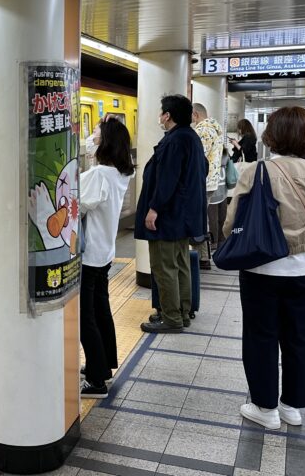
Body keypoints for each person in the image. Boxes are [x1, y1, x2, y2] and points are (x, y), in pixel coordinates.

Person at [223, 108, 305, 429]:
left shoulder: (256, 171)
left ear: (272, 134)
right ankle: (293, 406)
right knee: (299, 337)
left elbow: (231, 224)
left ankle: (265, 407)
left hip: (262, 269)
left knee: (261, 336)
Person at [135, 95, 208, 334]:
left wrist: (154, 208)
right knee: (180, 264)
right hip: (183, 216)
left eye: (161, 112)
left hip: (168, 216)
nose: (159, 116)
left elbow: (167, 180)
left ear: (168, 115)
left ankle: (171, 317)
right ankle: (183, 312)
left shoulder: (175, 140)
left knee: (164, 266)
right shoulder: (192, 138)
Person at [78, 118, 135, 398]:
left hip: (89, 254)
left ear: (105, 141)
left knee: (84, 316)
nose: (91, 136)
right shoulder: (120, 172)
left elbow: (78, 206)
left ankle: (96, 379)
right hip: (105, 251)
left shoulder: (99, 174)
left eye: (95, 133)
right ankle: (103, 365)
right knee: (101, 309)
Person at [192, 103, 225, 271]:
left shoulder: (203, 130)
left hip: (202, 182)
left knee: (198, 219)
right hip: (211, 181)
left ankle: (202, 257)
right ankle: (202, 256)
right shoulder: (216, 128)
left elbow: (198, 156)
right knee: (201, 218)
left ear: (196, 114)